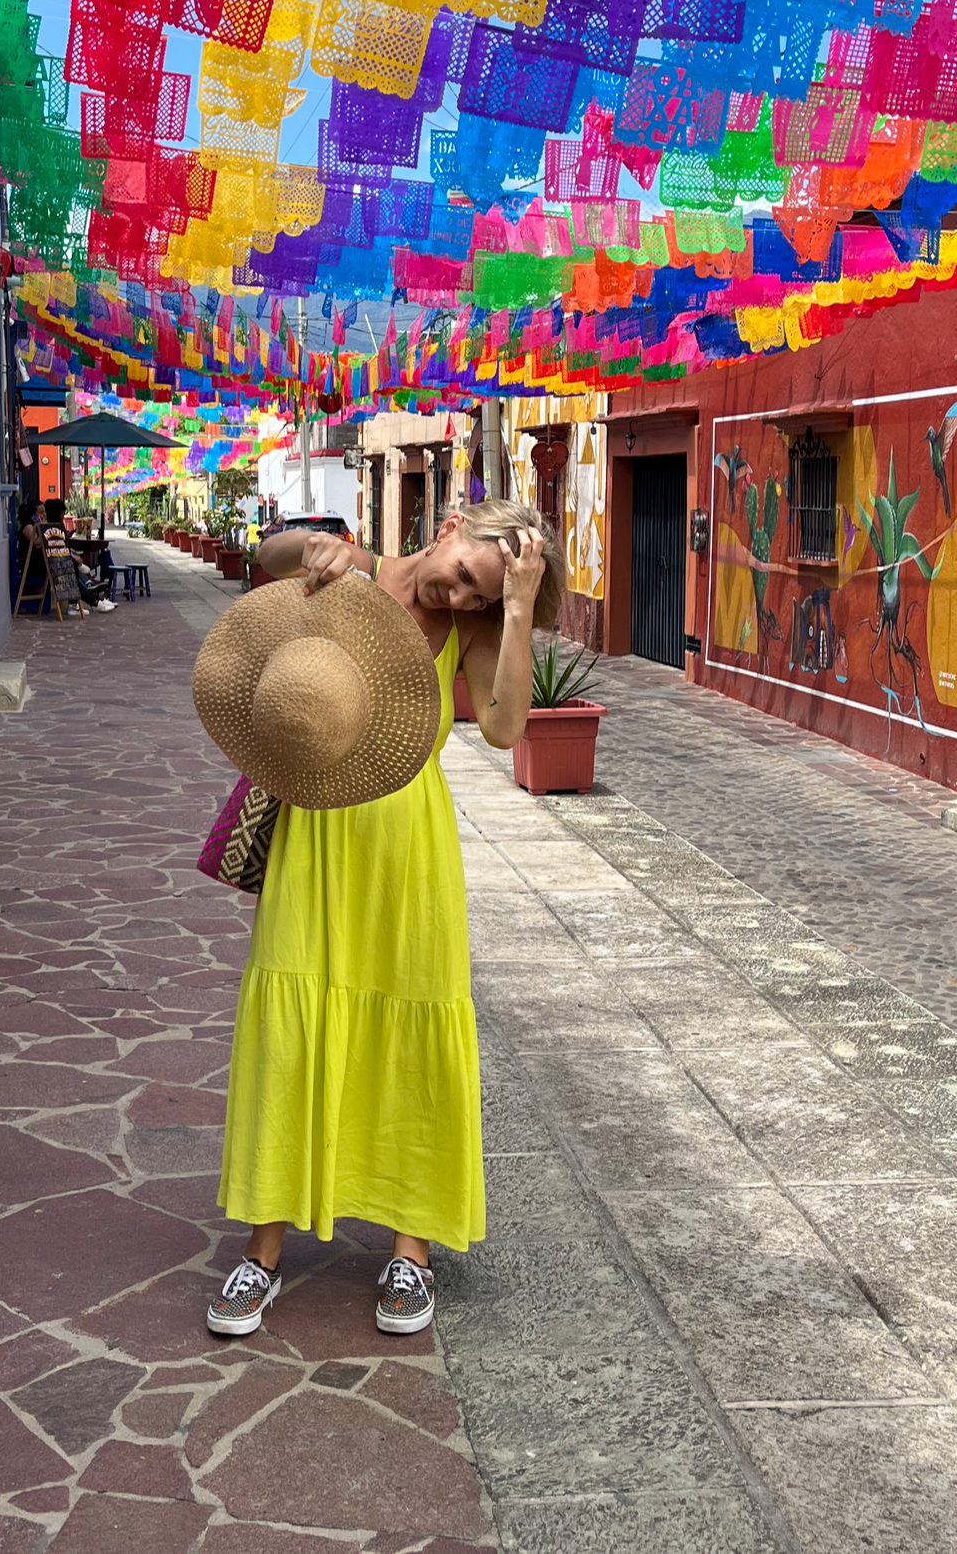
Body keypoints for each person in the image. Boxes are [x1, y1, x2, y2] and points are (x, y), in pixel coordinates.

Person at [208, 499, 562, 1339]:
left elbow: (507, 727)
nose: (459, 599)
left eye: (480, 597)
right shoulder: (352, 573)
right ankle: (262, 1250)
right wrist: (316, 546)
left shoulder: (472, 627)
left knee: (408, 1036)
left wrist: (514, 606)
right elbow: (268, 555)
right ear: (448, 526)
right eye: (469, 576)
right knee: (290, 1028)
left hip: (409, 854)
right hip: (316, 837)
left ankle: (412, 1249)